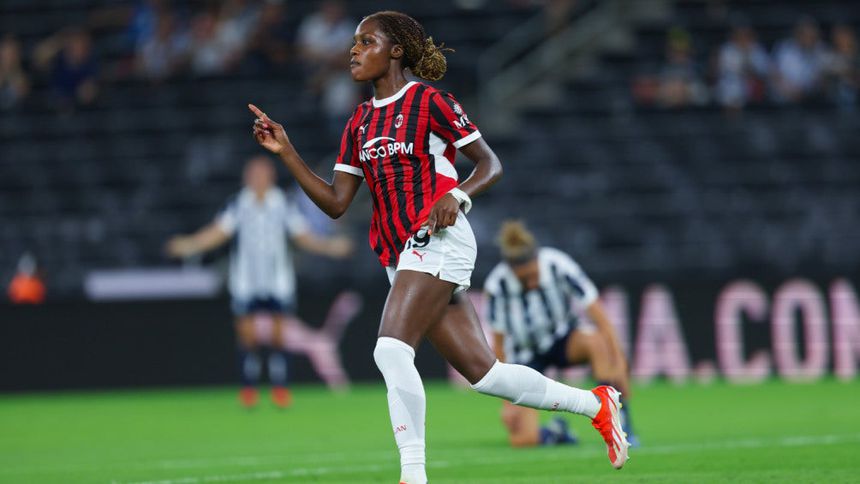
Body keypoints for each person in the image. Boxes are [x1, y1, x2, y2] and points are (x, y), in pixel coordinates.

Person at [248, 10, 630, 482]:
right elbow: (335, 204)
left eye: (366, 41)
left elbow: (490, 164)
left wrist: (458, 195)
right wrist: (287, 152)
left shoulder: (429, 101)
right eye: (354, 42)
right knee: (487, 376)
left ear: (396, 51)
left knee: (390, 350)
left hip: (438, 237)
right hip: (399, 255)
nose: (353, 50)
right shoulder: (359, 122)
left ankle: (413, 475)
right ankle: (596, 404)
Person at [166, 155, 352, 408]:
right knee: (247, 336)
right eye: (253, 174)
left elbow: (302, 236)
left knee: (278, 336)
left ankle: (280, 388)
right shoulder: (238, 204)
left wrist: (330, 247)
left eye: (261, 173)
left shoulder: (282, 203)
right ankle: (249, 389)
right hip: (246, 281)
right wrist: (190, 244)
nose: (257, 178)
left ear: (270, 177)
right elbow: (218, 232)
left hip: (278, 280)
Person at [484, 221, 638, 449]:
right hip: (525, 357)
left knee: (596, 342)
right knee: (524, 440)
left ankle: (622, 425)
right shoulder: (497, 285)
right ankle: (556, 432)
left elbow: (600, 317)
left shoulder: (558, 265)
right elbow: (498, 346)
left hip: (563, 340)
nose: (532, 283)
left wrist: (619, 363)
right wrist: (506, 402)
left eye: (533, 275)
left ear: (537, 259)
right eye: (524, 280)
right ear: (511, 271)